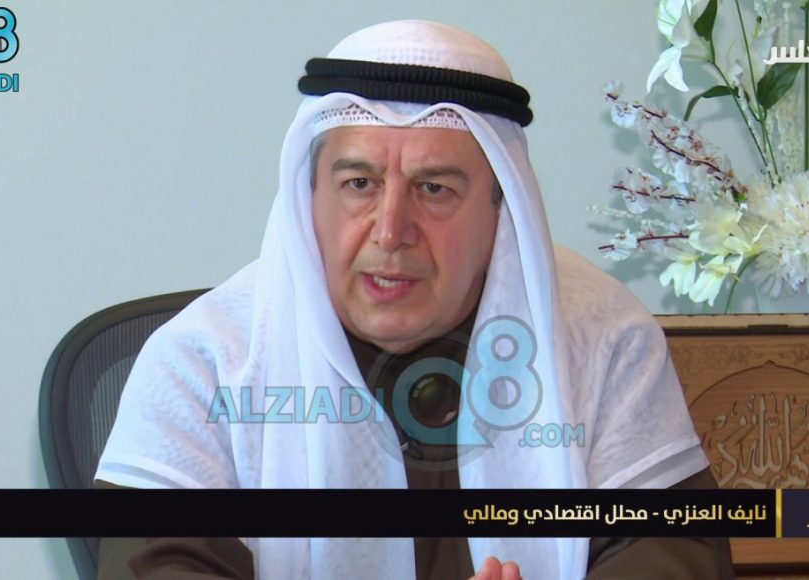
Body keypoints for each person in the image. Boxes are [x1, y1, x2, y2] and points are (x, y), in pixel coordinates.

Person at [94, 20, 734, 580]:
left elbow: (670, 555)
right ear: (309, 198)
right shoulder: (202, 360)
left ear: (500, 209)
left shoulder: (602, 338)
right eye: (359, 183)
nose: (390, 230)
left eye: (434, 189)